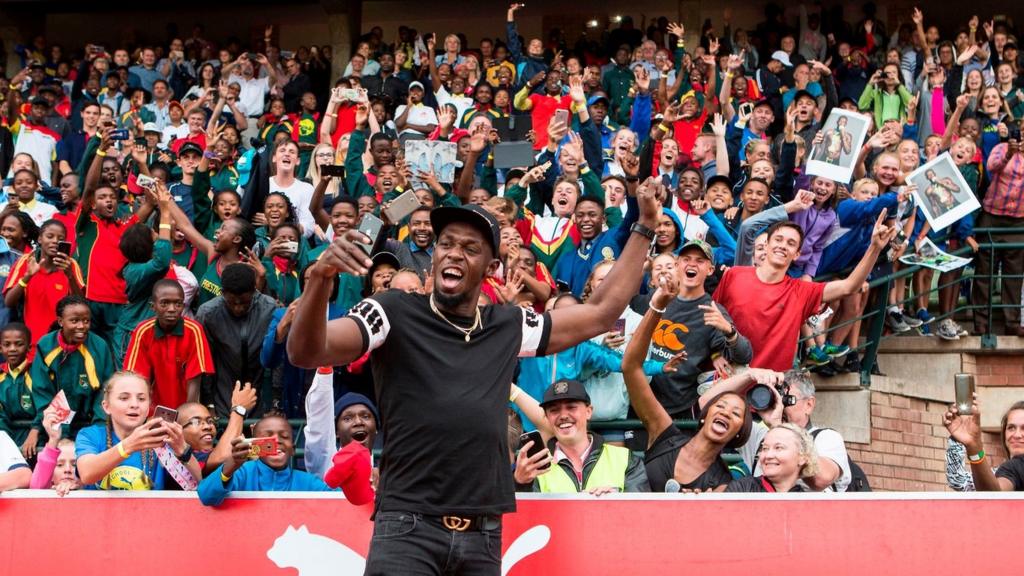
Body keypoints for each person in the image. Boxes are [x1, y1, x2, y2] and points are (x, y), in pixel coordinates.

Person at [288, 174, 663, 574]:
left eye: (470, 248)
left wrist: (645, 226)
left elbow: (601, 313)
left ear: (492, 266)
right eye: (446, 244)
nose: (454, 254)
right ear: (432, 255)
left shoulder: (507, 325)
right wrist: (319, 280)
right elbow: (306, 351)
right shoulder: (391, 310)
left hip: (483, 534)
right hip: (407, 528)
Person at [713, 215, 896, 371]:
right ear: (766, 245)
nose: (783, 246)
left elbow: (848, 286)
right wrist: (714, 355)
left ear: (797, 254)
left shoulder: (801, 291)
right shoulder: (735, 275)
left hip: (770, 387)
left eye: (791, 243)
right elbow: (711, 318)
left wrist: (875, 248)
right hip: (727, 377)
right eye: (778, 240)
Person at [636, 238, 752, 418]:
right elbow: (624, 303)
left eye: (700, 260)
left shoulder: (712, 311)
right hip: (638, 399)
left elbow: (744, 356)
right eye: (686, 259)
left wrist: (729, 332)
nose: (692, 264)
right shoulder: (658, 296)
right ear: (677, 265)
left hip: (676, 409)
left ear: (710, 269)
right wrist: (640, 270)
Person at [512, 379, 649, 494]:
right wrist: (520, 484)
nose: (563, 415)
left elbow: (643, 515)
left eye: (571, 407)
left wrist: (614, 503)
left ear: (589, 411)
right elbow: (522, 520)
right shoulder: (534, 467)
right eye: (554, 410)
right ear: (547, 418)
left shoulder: (625, 459)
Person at [75, 372, 201, 490]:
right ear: (106, 406)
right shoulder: (91, 435)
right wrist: (128, 446)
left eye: (141, 399)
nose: (134, 404)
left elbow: (197, 485)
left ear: (148, 408)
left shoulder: (161, 440)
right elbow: (87, 474)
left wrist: (183, 450)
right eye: (124, 398)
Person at [198, 413, 335, 505]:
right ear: (255, 442)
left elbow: (340, 502)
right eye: (268, 436)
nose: (276, 440)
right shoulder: (242, 473)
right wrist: (231, 465)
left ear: (292, 449)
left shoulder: (307, 482)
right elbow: (206, 496)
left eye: (285, 436)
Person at [196, 263, 278, 418]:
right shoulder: (208, 314)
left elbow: (276, 359)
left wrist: (275, 402)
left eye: (244, 303)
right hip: (223, 393)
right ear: (222, 293)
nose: (238, 308)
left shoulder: (269, 309)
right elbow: (205, 362)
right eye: (232, 302)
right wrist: (209, 403)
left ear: (254, 292)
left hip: (260, 392)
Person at [123, 279, 214, 411]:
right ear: (153, 306)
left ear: (183, 306)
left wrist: (187, 415)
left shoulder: (194, 330)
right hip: (152, 408)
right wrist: (145, 412)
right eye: (164, 303)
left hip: (186, 404)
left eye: (177, 304)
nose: (171, 309)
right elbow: (139, 378)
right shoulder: (143, 331)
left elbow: (195, 378)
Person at [29, 295, 115, 434]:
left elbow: (106, 389)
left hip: (90, 422)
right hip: (54, 425)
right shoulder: (45, 345)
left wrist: (99, 428)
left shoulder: (99, 346)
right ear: (60, 321)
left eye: (86, 321)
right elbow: (42, 391)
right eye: (74, 321)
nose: (81, 326)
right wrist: (51, 429)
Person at [3, 219, 85, 346]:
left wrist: (70, 275)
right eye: (50, 236)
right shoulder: (26, 261)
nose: (55, 241)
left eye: (60, 238)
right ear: (40, 239)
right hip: (29, 343)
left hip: (60, 342)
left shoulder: (71, 265)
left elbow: (81, 304)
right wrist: (27, 277)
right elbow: (9, 301)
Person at [303, 366, 380, 480]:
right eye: (348, 418)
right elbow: (319, 431)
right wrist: (325, 370)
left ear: (376, 428)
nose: (358, 422)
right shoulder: (327, 469)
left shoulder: (386, 476)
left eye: (365, 416)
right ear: (337, 431)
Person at [176, 381, 258, 478]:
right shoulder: (179, 457)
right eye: (196, 422)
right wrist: (239, 409)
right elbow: (222, 457)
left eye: (210, 421)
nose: (207, 426)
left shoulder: (213, 451)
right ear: (178, 430)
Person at [945, 396, 1024, 491]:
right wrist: (972, 446)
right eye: (1011, 428)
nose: (1017, 435)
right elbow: (993, 495)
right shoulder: (1011, 469)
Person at [725, 424, 819, 492]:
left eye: (778, 448)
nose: (768, 455)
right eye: (765, 448)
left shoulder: (806, 502)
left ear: (802, 458)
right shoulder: (741, 489)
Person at [29, 407, 81, 495]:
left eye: (74, 464)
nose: (67, 470)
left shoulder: (96, 489)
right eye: (59, 465)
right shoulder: (42, 491)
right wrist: (53, 439)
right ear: (50, 474)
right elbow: (36, 487)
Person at [0, 323, 35, 453]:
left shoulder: (38, 373)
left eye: (19, 344)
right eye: (7, 344)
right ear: (0, 348)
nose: (12, 349)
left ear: (29, 348)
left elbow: (47, 409)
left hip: (38, 438)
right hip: (6, 439)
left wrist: (35, 433)